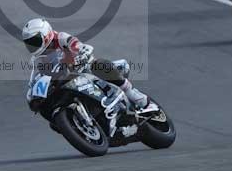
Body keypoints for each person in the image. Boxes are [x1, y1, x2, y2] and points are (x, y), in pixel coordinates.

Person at [22, 18, 157, 112]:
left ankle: (138, 98)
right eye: (29, 43)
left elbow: (74, 43)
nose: (32, 45)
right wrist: (32, 93)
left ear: (45, 35)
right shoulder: (38, 59)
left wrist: (81, 50)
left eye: (35, 40)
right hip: (66, 81)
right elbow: (35, 77)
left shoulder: (60, 38)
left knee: (98, 65)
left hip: (83, 68)